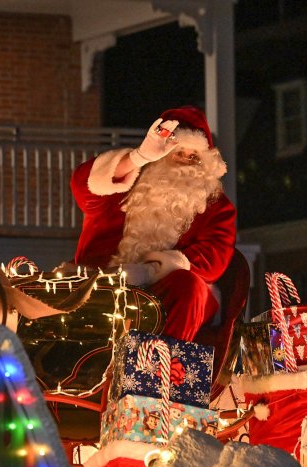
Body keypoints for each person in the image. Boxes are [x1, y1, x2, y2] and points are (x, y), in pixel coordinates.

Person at [70, 106, 236, 343]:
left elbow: (214, 257)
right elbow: (82, 186)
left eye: (194, 157)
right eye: (179, 153)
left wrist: (153, 270)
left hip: (169, 292)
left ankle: (159, 371)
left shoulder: (215, 205)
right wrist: (138, 157)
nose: (186, 163)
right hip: (106, 284)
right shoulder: (125, 185)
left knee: (190, 287)